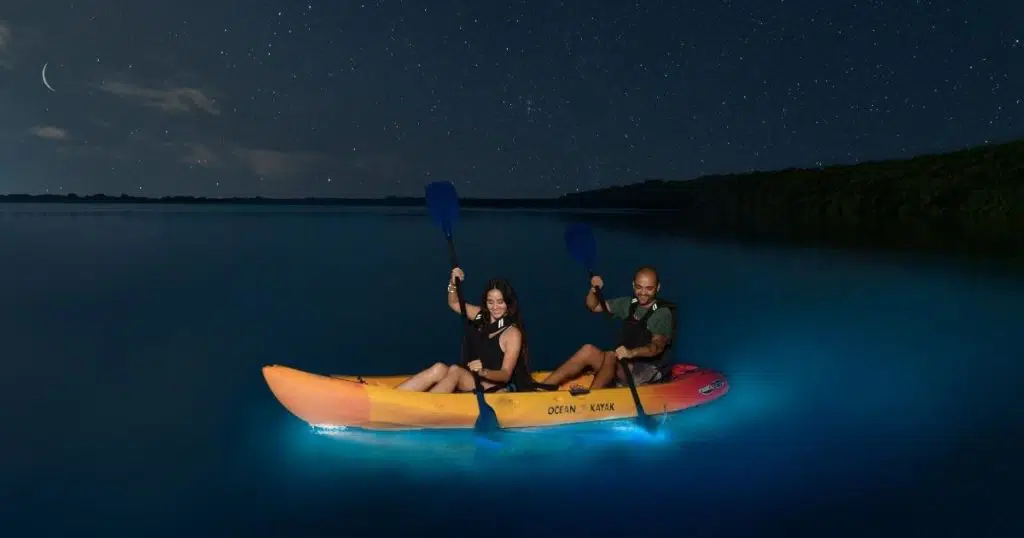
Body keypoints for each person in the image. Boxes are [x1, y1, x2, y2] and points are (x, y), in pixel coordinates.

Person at [395, 267, 535, 393]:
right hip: (473, 378)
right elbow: (454, 302)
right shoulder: (481, 316)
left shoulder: (512, 333)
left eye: (500, 302)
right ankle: (393, 398)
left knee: (455, 371)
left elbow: (505, 374)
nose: (495, 307)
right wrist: (453, 283)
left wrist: (483, 372)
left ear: (508, 303)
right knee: (439, 368)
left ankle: (422, 408)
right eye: (490, 302)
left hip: (495, 386)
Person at [538, 266, 675, 391]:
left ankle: (592, 397)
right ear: (633, 285)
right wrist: (594, 291)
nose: (643, 292)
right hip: (625, 365)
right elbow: (594, 306)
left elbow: (656, 347)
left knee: (610, 354)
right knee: (588, 350)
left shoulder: (662, 313)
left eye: (649, 288)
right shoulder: (629, 304)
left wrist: (631, 353)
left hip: (647, 372)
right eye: (639, 287)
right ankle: (543, 387)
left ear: (657, 288)